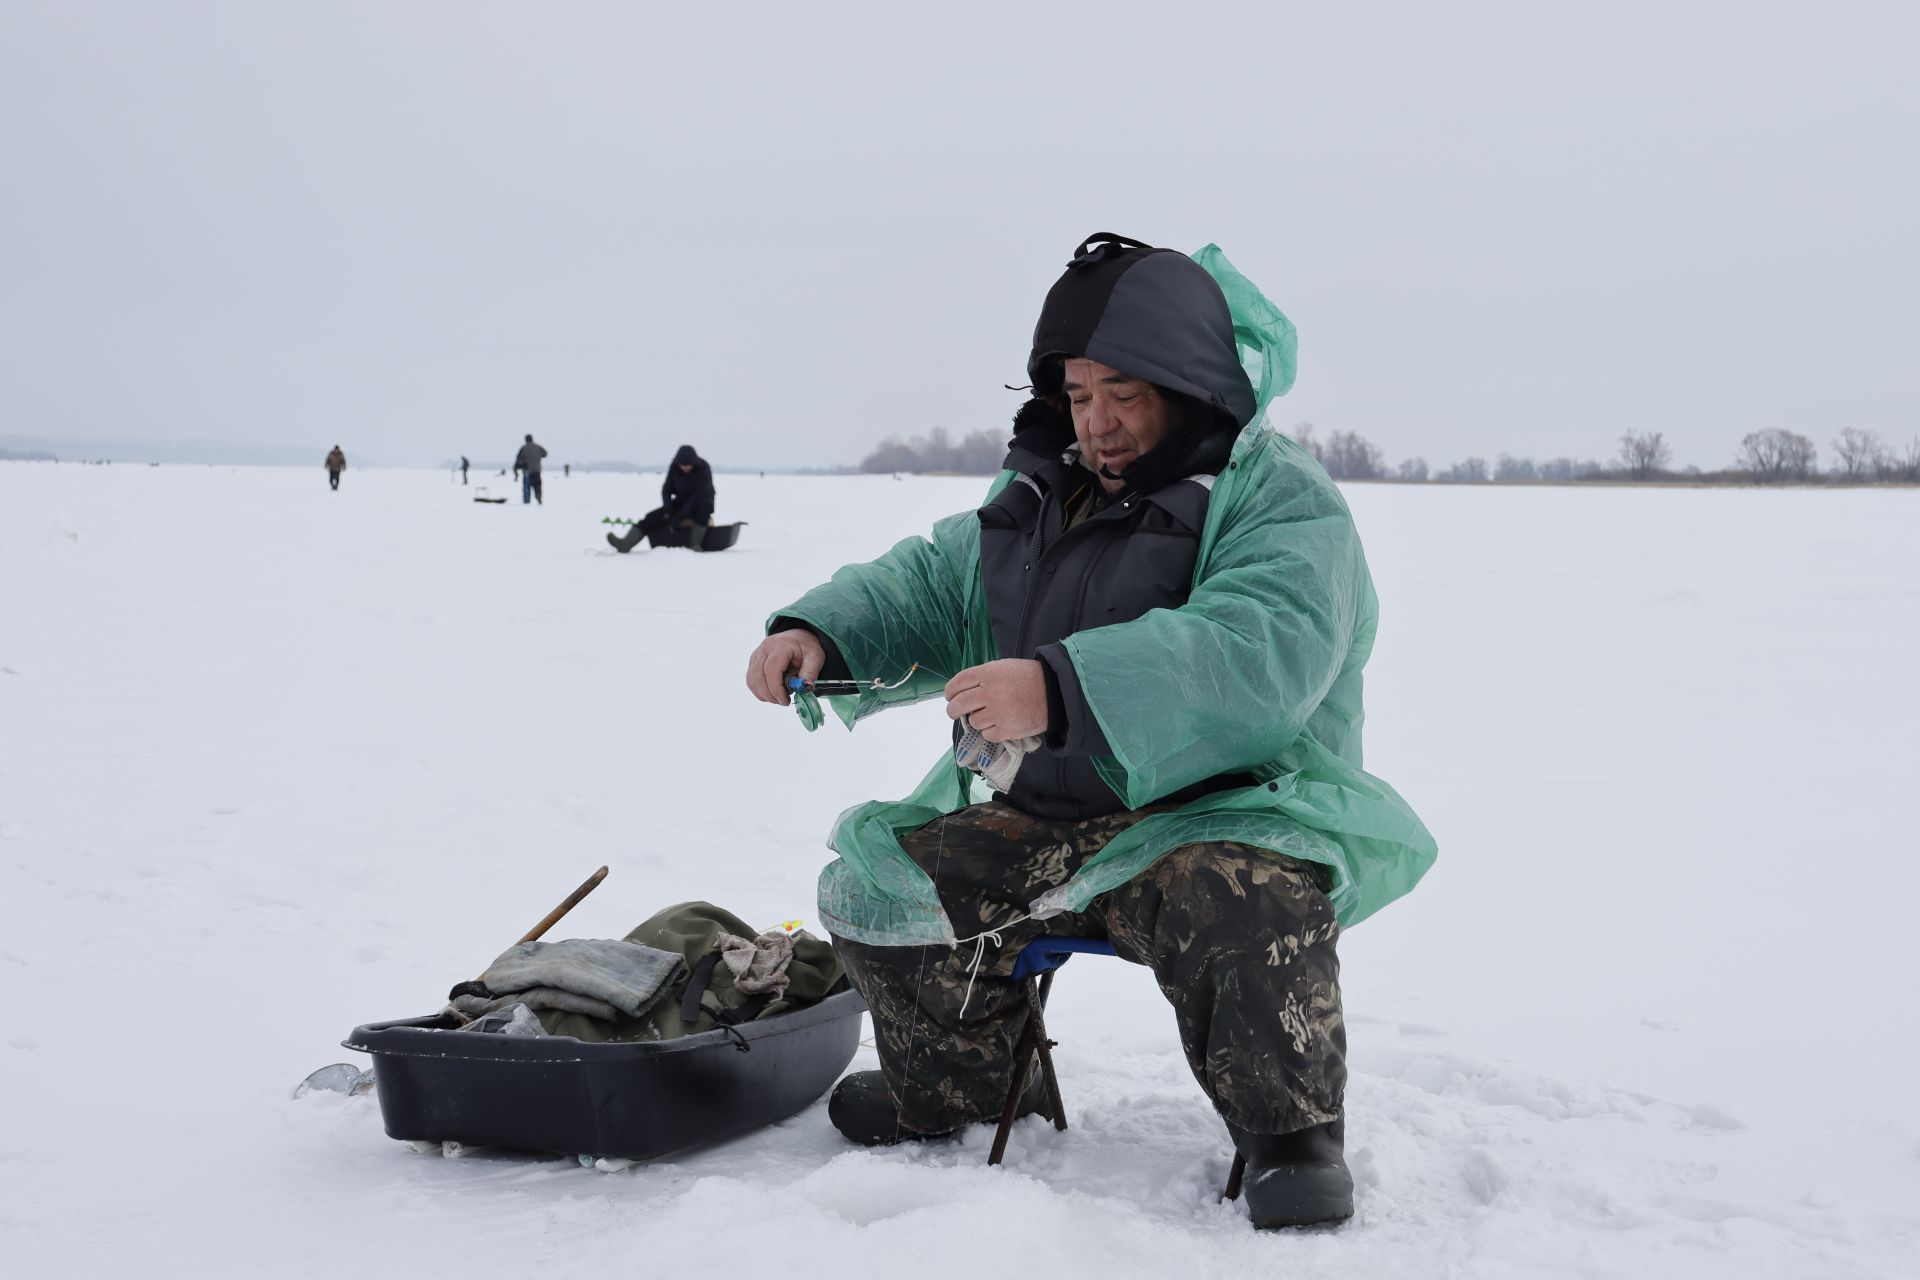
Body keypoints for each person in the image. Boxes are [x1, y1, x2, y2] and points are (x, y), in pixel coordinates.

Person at [743, 234, 1435, 1229]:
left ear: (1190, 386)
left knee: (1243, 895)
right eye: (1077, 395)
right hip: (1049, 817)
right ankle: (967, 1082)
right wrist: (821, 627)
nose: (1096, 422)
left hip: (1222, 809)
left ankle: (1292, 1131)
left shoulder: (1277, 496)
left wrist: (1060, 687)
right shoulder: (1040, 495)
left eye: (1124, 392)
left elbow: (1258, 651)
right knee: (873, 883)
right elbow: (936, 579)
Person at [607, 444, 716, 552]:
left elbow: (698, 494)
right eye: (683, 465)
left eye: (688, 465)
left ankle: (695, 545)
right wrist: (668, 510)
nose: (686, 467)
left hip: (702, 500)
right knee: (652, 517)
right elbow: (666, 490)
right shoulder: (674, 467)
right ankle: (625, 544)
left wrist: (681, 515)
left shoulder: (703, 467)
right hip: (681, 501)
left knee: (703, 508)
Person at [513, 434, 548, 504]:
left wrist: (516, 471)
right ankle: (539, 499)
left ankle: (527, 502)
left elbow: (518, 459)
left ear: (525, 440)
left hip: (527, 471)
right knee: (537, 486)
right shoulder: (538, 447)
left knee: (527, 488)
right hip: (537, 470)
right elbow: (545, 454)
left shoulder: (523, 448)